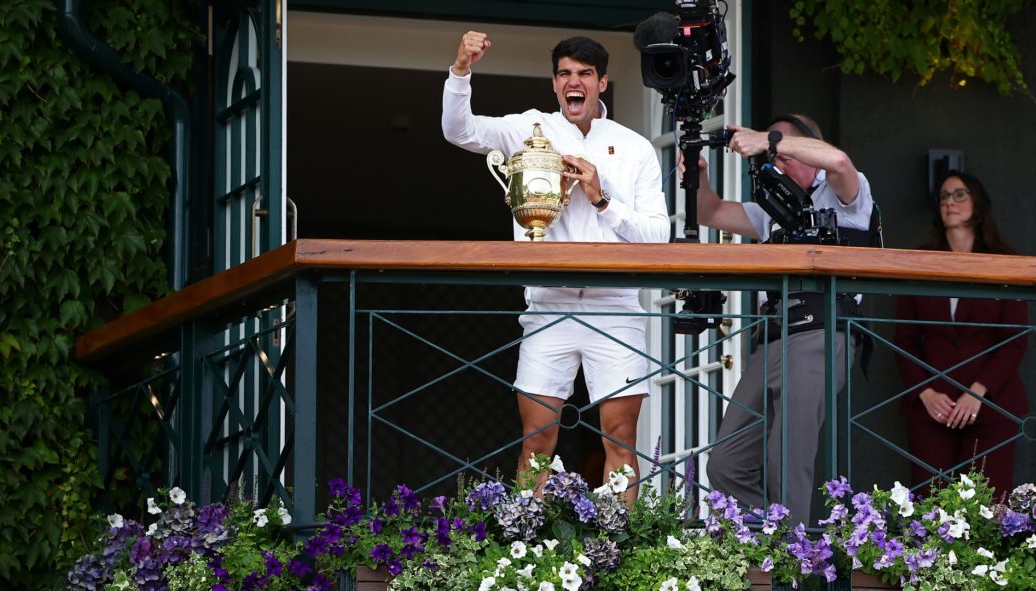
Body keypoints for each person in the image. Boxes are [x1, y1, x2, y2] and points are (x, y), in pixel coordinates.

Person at [441, 32, 671, 500]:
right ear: (554, 83)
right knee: (537, 441)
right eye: (565, 73)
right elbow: (458, 130)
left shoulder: (635, 147)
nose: (575, 82)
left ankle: (622, 557)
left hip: (616, 305)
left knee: (621, 441)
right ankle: (530, 558)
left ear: (602, 82)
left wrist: (601, 198)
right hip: (549, 303)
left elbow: (658, 236)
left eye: (585, 74)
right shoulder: (530, 127)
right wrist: (461, 68)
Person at [693, 114, 877, 525]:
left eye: (784, 152)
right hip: (773, 339)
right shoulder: (771, 209)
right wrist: (699, 174)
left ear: (808, 150)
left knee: (787, 455)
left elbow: (840, 162)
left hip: (820, 333)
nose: (776, 162)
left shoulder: (846, 193)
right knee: (725, 462)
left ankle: (791, 565)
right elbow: (711, 211)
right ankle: (761, 545)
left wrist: (767, 140)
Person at [894, 171, 1028, 497]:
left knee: (989, 505)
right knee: (929, 506)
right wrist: (925, 392)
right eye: (943, 197)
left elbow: (1015, 340)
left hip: (991, 405)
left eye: (959, 195)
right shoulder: (920, 262)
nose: (949, 202)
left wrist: (978, 392)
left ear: (977, 204)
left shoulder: (1006, 263)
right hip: (932, 406)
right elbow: (904, 340)